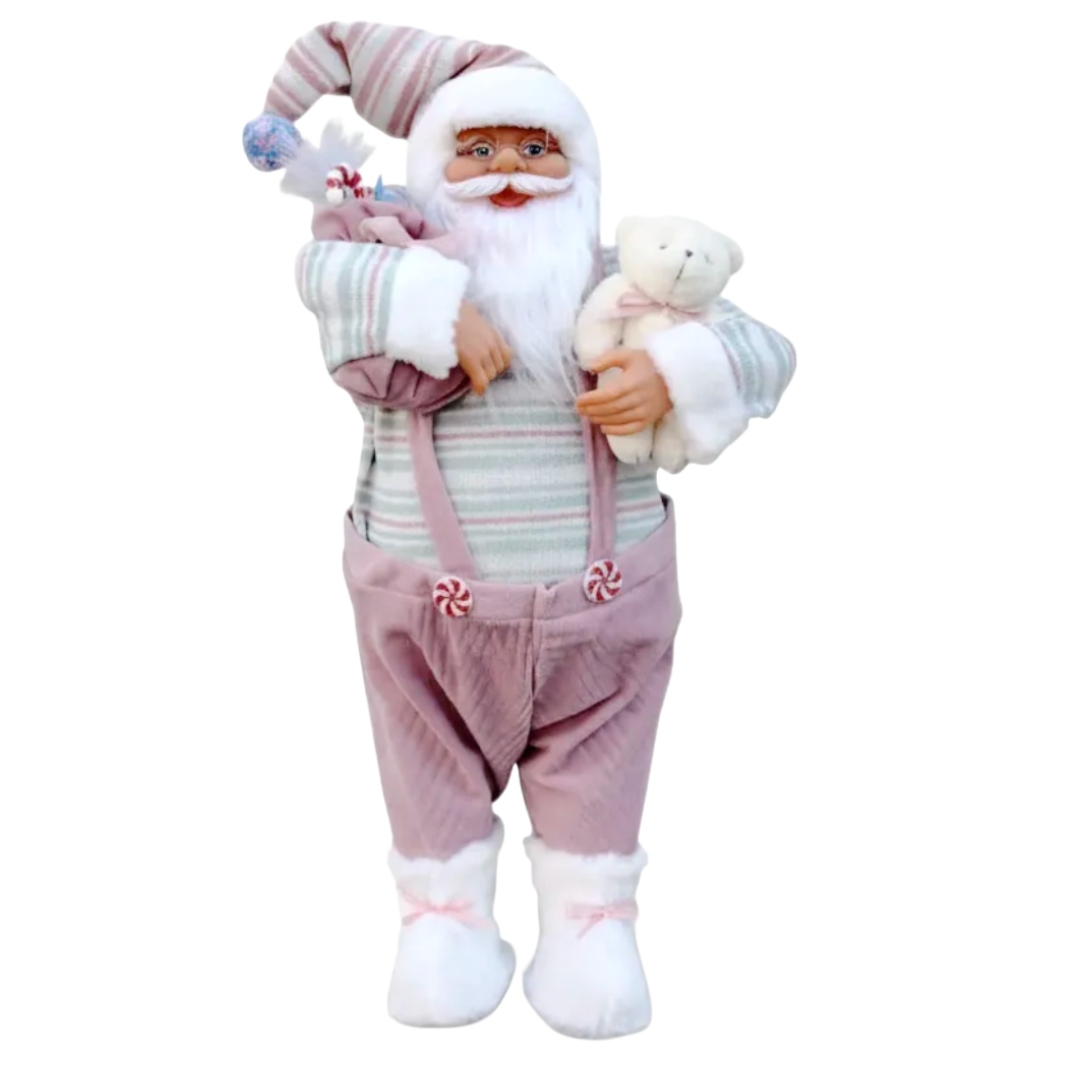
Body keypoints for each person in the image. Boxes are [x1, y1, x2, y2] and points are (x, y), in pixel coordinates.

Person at [243, 19, 795, 1039]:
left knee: (601, 775)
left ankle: (592, 924)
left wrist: (671, 370)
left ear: (583, 169)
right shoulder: (382, 272)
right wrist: (430, 301)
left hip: (604, 618)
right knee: (426, 766)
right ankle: (442, 922)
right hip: (426, 617)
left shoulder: (622, 288)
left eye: (537, 148)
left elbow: (765, 351)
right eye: (478, 148)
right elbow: (323, 276)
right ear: (430, 169)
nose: (508, 170)